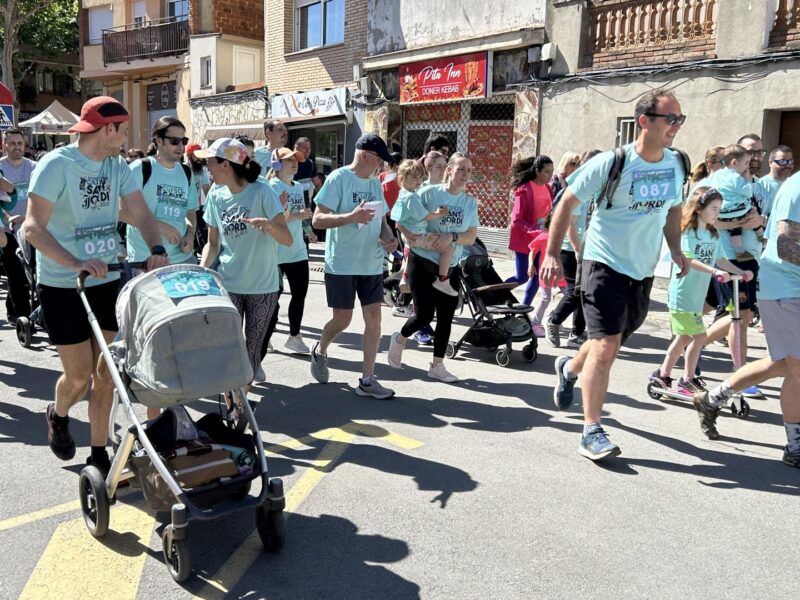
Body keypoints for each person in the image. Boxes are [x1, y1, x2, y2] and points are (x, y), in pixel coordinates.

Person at [540, 88, 690, 461]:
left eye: (680, 119)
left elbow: (674, 208)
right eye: (670, 118)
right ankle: (591, 430)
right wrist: (552, 254)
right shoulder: (613, 162)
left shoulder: (676, 164)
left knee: (609, 342)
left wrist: (675, 248)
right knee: (606, 347)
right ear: (644, 121)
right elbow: (566, 203)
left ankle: (569, 368)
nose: (676, 125)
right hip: (602, 263)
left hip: (642, 270)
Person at [24, 96, 169, 475]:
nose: (126, 138)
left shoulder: (117, 166)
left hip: (107, 279)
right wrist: (74, 262)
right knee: (78, 377)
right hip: (62, 283)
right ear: (107, 129)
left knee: (107, 373)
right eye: (123, 131)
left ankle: (99, 453)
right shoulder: (56, 165)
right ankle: (58, 414)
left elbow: (141, 213)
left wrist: (156, 248)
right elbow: (33, 228)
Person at [694, 171, 800, 467]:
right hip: (786, 289)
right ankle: (795, 448)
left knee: (785, 364)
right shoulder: (797, 188)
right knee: (796, 368)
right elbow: (786, 245)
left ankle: (713, 398)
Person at [197, 138, 291, 390]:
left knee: (251, 351)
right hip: (229, 285)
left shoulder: (262, 191)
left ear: (225, 164)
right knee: (229, 349)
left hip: (263, 287)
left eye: (210, 162)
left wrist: (269, 226)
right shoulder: (215, 195)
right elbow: (213, 244)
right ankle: (234, 404)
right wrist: (202, 271)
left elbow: (287, 238)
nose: (207, 168)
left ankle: (241, 404)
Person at [309, 133, 398, 399]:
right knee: (342, 320)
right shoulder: (338, 178)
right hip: (342, 263)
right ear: (364, 155)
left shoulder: (374, 183)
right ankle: (320, 350)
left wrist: (389, 238)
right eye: (379, 160)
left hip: (371, 263)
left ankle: (367, 380)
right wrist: (351, 217)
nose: (381, 165)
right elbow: (317, 220)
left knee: (374, 318)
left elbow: (381, 221)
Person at [649, 187, 752, 413]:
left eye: (719, 209)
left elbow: (721, 259)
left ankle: (663, 374)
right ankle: (687, 379)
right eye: (713, 208)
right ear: (699, 209)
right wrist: (714, 271)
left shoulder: (713, 234)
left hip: (696, 296)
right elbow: (687, 259)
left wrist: (739, 271)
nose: (717, 213)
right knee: (699, 336)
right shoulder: (688, 232)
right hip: (683, 294)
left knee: (683, 338)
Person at [387, 152, 479, 383]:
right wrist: (407, 235)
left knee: (446, 317)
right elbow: (402, 216)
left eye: (469, 170)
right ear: (449, 170)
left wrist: (452, 237)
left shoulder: (469, 202)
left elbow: (471, 236)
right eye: (461, 169)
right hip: (422, 261)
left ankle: (437, 365)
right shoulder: (428, 193)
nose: (465, 174)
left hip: (450, 266)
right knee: (424, 315)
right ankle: (400, 338)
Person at [545, 149, 600, 349]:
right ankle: (554, 320)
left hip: (588, 248)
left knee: (586, 291)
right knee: (576, 291)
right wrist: (578, 250)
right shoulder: (579, 188)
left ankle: (577, 333)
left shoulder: (595, 189)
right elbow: (570, 226)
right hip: (570, 249)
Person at [127, 117, 199, 271]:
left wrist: (190, 235)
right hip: (147, 261)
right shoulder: (140, 168)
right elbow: (120, 212)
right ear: (158, 141)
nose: (181, 146)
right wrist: (159, 226)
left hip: (182, 258)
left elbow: (190, 212)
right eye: (174, 141)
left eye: (183, 141)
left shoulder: (186, 172)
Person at [264, 146, 314, 355]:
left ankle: (294, 337)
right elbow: (272, 219)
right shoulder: (270, 187)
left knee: (300, 294)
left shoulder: (298, 187)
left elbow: (299, 216)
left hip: (297, 249)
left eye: (296, 160)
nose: (295, 164)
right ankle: (265, 336)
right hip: (275, 250)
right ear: (277, 164)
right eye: (289, 160)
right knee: (272, 299)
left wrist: (308, 230)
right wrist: (297, 214)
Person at [390, 159, 455, 297]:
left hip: (409, 234)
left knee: (412, 248)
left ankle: (405, 275)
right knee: (448, 248)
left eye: (420, 177)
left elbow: (396, 218)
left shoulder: (402, 193)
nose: (418, 181)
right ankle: (443, 280)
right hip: (418, 235)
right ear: (402, 178)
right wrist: (439, 214)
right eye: (414, 177)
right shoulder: (411, 198)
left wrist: (405, 233)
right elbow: (425, 216)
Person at [506, 155, 554, 305]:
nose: (550, 175)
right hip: (523, 240)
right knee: (522, 277)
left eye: (552, 172)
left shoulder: (548, 188)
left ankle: (523, 310)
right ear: (537, 171)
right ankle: (493, 292)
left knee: (537, 277)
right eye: (547, 172)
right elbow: (516, 219)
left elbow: (549, 213)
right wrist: (533, 230)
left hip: (540, 239)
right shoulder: (524, 189)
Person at [0, 128, 36, 323]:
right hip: (8, 231)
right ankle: (22, 316)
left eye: (20, 143)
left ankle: (16, 308)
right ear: (5, 145)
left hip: (31, 227)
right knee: (15, 273)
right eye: (12, 143)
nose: (17, 147)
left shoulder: (34, 167)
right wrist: (8, 217)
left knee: (30, 273)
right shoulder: (1, 169)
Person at [760, 145, 793, 219]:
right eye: (782, 161)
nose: (788, 165)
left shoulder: (793, 184)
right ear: (770, 163)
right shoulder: (761, 185)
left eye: (790, 161)